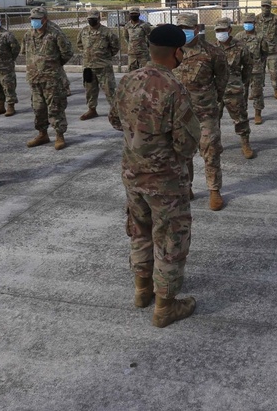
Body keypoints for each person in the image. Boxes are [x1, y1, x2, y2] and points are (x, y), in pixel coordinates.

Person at [109, 24, 201, 328]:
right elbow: (186, 142)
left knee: (139, 231)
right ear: (177, 52)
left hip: (132, 174)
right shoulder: (174, 88)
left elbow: (114, 119)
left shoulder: (127, 80)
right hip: (165, 181)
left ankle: (141, 291)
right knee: (170, 239)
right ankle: (165, 306)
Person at [173, 12, 228, 210]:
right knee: (181, 153)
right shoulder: (171, 51)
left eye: (187, 28)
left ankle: (214, 191)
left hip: (205, 113)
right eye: (179, 28)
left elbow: (222, 80)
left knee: (211, 151)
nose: (183, 32)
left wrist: (213, 100)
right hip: (179, 114)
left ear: (196, 29)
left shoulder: (212, 52)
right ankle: (186, 187)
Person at [22, 7, 74, 150]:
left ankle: (59, 135)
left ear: (45, 19)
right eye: (32, 19)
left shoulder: (55, 33)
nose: (34, 21)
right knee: (38, 108)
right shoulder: (28, 34)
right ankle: (42, 134)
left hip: (52, 79)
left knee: (55, 108)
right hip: (34, 78)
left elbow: (67, 52)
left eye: (37, 19)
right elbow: (24, 52)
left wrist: (53, 66)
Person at [215, 17, 255, 159]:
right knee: (213, 119)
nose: (220, 33)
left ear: (230, 30)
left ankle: (245, 144)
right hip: (216, 91)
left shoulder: (240, 46)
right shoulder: (212, 48)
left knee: (240, 118)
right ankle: (215, 145)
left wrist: (243, 81)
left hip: (234, 89)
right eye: (218, 30)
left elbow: (248, 65)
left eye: (223, 30)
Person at [77, 9, 121, 121]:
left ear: (99, 19)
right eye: (90, 19)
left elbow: (115, 46)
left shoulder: (107, 32)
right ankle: (92, 110)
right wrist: (88, 54)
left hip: (103, 66)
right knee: (90, 90)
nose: (92, 21)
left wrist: (105, 56)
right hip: (88, 66)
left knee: (109, 89)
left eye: (94, 19)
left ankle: (116, 111)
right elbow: (79, 45)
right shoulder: (83, 31)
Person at [232, 12, 269, 125]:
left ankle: (258, 114)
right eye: (246, 22)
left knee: (257, 92)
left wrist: (258, 63)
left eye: (250, 22)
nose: (247, 24)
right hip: (242, 70)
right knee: (242, 93)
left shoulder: (260, 36)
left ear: (254, 23)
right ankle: (243, 115)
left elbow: (264, 52)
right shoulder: (238, 36)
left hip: (256, 69)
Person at [255, 0, 277, 101]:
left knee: (274, 72)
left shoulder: (276, 19)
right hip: (259, 51)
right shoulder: (256, 19)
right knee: (258, 73)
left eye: (267, 7)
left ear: (270, 7)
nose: (265, 9)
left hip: (272, 51)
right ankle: (256, 92)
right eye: (263, 6)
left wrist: (275, 42)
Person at [122, 7, 153, 71]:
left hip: (143, 54)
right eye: (132, 14)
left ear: (139, 14)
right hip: (132, 54)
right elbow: (126, 37)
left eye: (135, 14)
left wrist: (145, 46)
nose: (133, 15)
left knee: (146, 72)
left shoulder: (144, 25)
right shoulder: (127, 26)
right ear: (129, 15)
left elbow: (149, 37)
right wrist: (131, 45)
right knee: (132, 73)